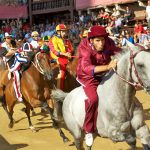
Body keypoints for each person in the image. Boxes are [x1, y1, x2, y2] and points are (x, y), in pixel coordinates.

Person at [76, 25, 121, 147]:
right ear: (91, 40)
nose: (101, 43)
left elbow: (118, 51)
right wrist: (107, 67)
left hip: (105, 72)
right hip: (88, 77)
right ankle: (89, 130)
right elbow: (86, 68)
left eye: (103, 40)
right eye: (98, 40)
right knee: (93, 99)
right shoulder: (84, 47)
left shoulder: (108, 42)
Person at [49, 24, 73, 90]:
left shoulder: (67, 40)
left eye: (65, 31)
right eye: (63, 31)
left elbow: (70, 49)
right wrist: (65, 54)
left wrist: (69, 53)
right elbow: (55, 51)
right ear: (58, 32)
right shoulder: (53, 39)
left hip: (67, 58)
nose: (65, 33)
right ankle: (60, 91)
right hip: (57, 58)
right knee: (62, 74)